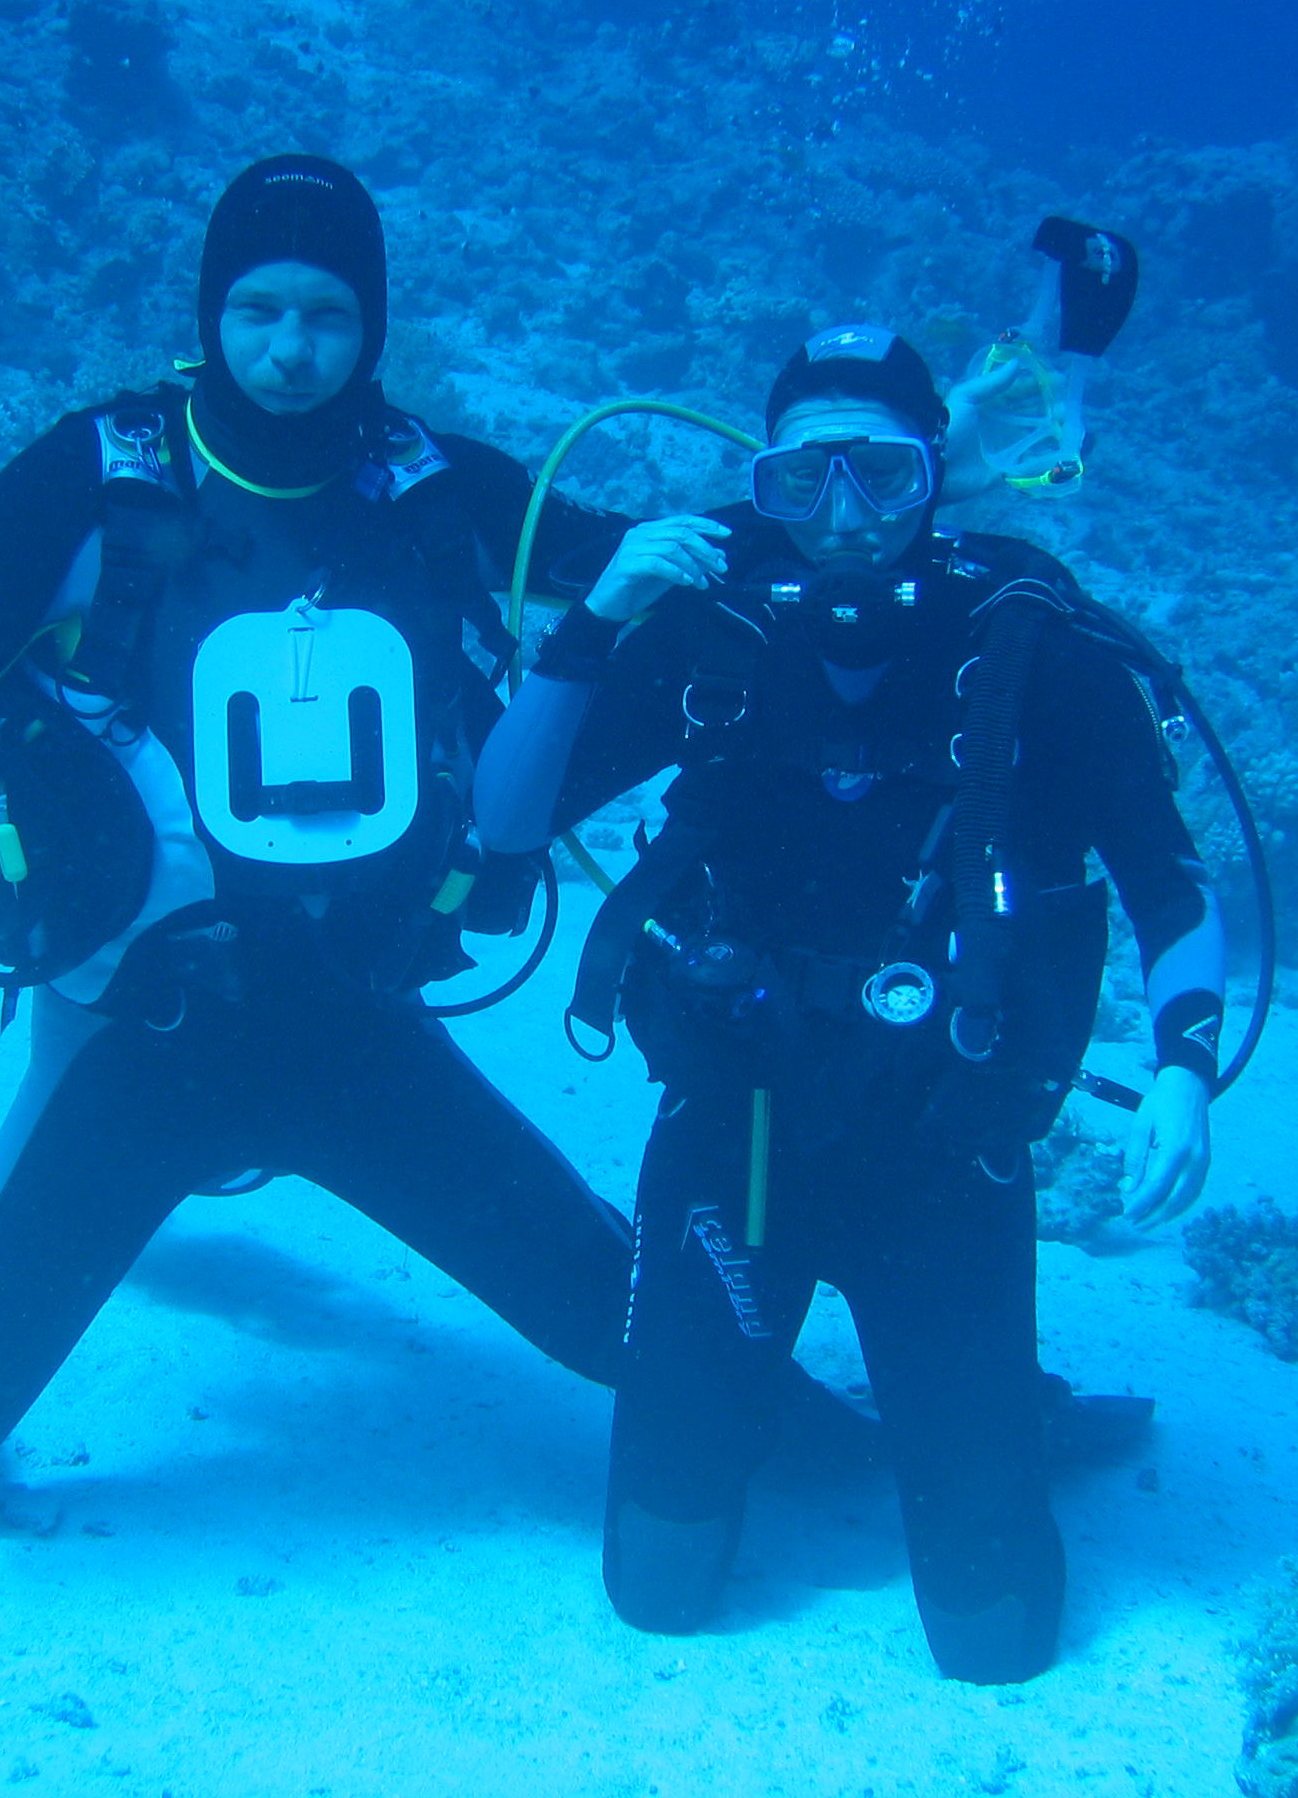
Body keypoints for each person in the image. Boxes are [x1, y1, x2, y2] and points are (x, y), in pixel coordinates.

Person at [0, 155, 672, 1532]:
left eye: (329, 315)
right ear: (212, 310)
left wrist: (851, 500)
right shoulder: (93, 482)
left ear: (375, 324)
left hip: (361, 1027)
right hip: (138, 1040)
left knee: (660, 1352)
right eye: (259, 310)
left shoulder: (439, 492)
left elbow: (656, 567)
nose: (291, 352)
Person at [472, 318, 1222, 1683]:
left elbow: (1169, 885)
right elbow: (508, 823)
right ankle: (768, 1392)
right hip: (733, 1141)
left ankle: (997, 1416)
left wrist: (1185, 1066)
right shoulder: (704, 628)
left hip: (948, 1151)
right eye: (800, 478)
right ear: (759, 482)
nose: (844, 517)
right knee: (656, 1584)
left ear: (938, 472)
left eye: (882, 473)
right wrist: (593, 624)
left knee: (997, 1638)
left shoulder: (1034, 646)